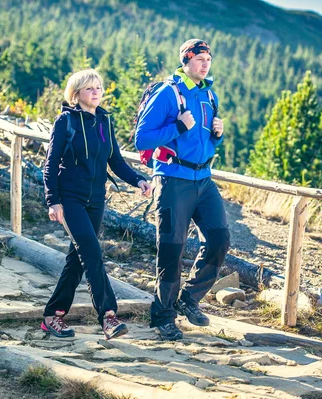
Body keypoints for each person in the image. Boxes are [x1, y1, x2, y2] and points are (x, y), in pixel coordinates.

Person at [42, 69, 153, 340]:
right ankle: (109, 317)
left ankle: (52, 316)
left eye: (98, 87)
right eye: (89, 88)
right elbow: (50, 163)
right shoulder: (65, 121)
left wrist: (138, 180)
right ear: (76, 94)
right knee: (92, 252)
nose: (96, 92)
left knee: (77, 260)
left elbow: (115, 160)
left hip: (96, 200)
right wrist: (53, 201)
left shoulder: (103, 121)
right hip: (70, 200)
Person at [135, 39, 231, 340]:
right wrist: (177, 127)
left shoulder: (208, 94)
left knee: (219, 239)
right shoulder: (169, 93)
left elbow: (205, 143)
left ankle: (187, 300)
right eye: (200, 58)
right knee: (172, 249)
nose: (205, 64)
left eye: (208, 59)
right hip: (173, 180)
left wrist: (217, 136)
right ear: (186, 60)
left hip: (203, 180)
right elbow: (142, 138)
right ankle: (163, 317)